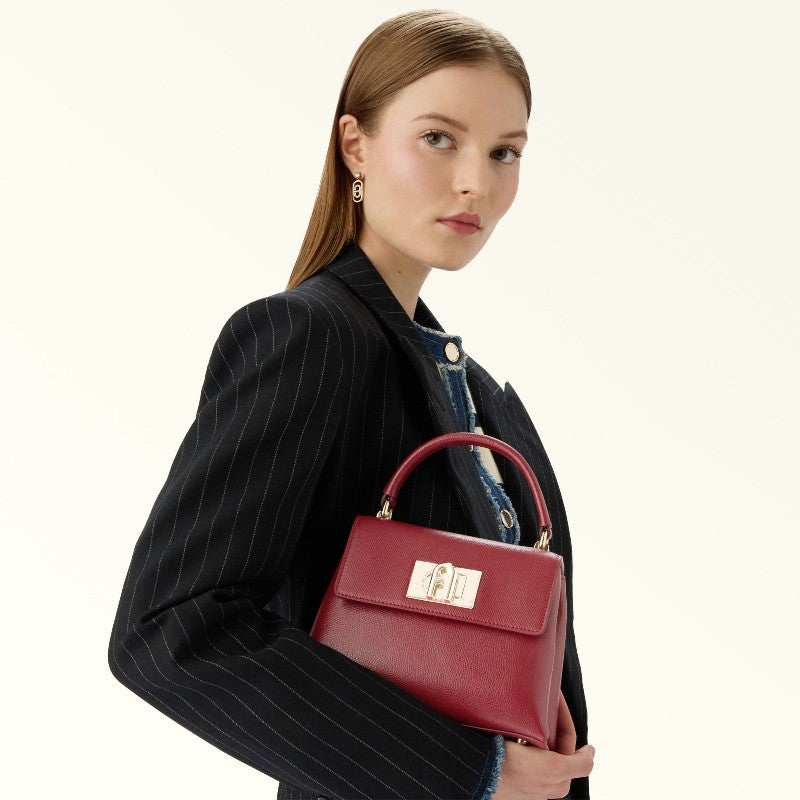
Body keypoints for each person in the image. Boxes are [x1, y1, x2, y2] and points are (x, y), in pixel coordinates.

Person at [107, 9, 595, 800]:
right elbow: (172, 630)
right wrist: (470, 773)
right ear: (355, 146)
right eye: (438, 138)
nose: (476, 181)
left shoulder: (473, 394)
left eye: (504, 152)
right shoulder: (308, 337)